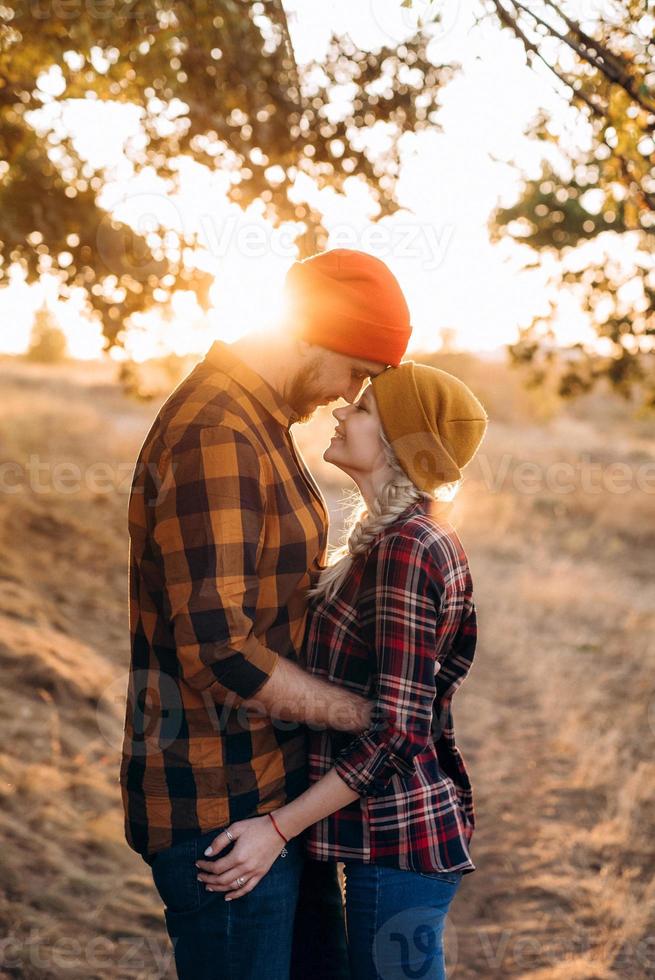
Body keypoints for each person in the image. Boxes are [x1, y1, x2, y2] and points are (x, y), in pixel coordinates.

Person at [119, 247, 414, 980]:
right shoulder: (217, 431)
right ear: (312, 333)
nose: (349, 396)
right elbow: (219, 649)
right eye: (354, 371)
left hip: (271, 793)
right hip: (216, 805)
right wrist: (358, 715)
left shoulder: (259, 418)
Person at [194, 360, 488, 980]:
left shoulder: (411, 548)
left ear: (397, 443)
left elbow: (400, 734)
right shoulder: (382, 537)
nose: (339, 409)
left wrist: (277, 827)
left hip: (398, 843)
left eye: (361, 410)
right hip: (374, 838)